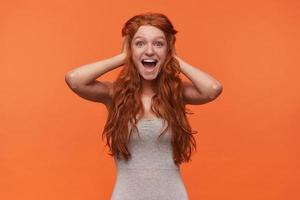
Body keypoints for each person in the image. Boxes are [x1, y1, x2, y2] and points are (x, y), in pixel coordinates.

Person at [65, 12, 222, 200]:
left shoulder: (177, 94)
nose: (149, 51)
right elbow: (74, 80)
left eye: (158, 44)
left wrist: (173, 57)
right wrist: (123, 56)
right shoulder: (114, 94)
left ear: (168, 49)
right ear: (130, 49)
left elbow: (213, 88)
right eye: (140, 43)